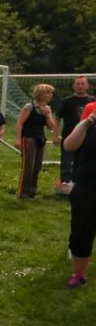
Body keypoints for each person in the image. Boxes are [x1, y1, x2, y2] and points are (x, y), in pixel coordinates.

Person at [62, 100, 96, 288]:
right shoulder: (89, 117)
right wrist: (87, 122)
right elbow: (69, 145)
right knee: (81, 232)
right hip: (87, 185)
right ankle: (79, 274)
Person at [14, 83, 58, 200]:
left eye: (51, 93)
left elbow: (52, 127)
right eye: (48, 93)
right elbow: (19, 123)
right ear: (41, 94)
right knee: (28, 167)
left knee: (37, 167)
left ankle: (32, 192)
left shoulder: (47, 109)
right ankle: (23, 193)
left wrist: (48, 115)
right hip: (28, 138)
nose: (50, 95)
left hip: (40, 139)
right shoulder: (29, 107)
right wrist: (18, 139)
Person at [53, 75, 94, 195]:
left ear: (87, 85)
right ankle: (65, 186)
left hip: (87, 138)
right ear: (73, 86)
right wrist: (55, 135)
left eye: (82, 83)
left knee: (82, 161)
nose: (80, 86)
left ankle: (79, 184)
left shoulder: (92, 101)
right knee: (66, 161)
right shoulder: (67, 101)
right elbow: (57, 118)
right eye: (78, 84)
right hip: (69, 136)